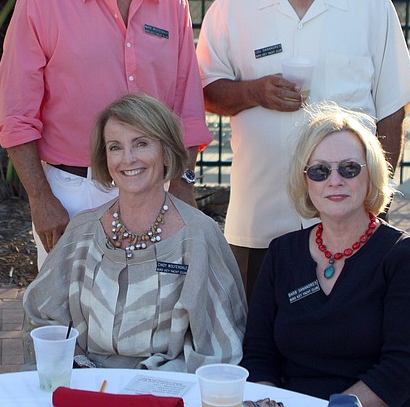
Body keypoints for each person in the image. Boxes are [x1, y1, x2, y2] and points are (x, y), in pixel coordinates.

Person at [196, 0, 410, 299]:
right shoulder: (237, 2)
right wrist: (253, 92)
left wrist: (378, 204)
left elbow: (392, 110)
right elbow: (204, 90)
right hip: (260, 222)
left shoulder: (368, 1)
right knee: (256, 350)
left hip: (349, 224)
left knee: (348, 342)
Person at [0, 0, 213, 267]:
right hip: (73, 193)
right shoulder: (41, 1)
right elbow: (15, 115)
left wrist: (182, 183)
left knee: (153, 316)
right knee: (69, 320)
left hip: (154, 190)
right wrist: (42, 199)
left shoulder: (171, 1)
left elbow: (187, 106)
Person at [22, 93, 246, 372]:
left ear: (166, 151)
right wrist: (80, 366)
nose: (127, 159)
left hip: (169, 386)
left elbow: (219, 346)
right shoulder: (83, 231)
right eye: (115, 147)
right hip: (85, 382)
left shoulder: (198, 236)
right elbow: (42, 317)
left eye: (141, 144)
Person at [241, 104, 410, 405]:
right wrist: (267, 400)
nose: (334, 181)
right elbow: (259, 353)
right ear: (306, 180)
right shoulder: (282, 253)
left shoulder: (405, 256)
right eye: (320, 171)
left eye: (349, 168)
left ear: (371, 173)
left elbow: (401, 369)